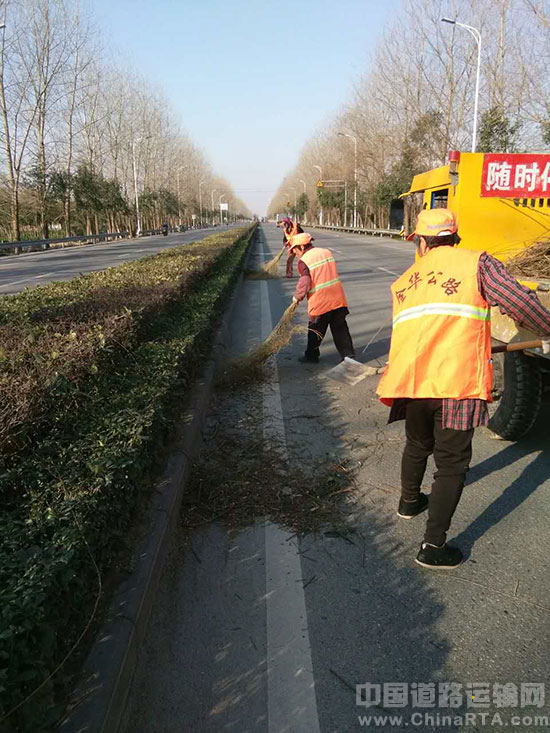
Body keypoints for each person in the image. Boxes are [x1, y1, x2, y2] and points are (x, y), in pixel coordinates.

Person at [376, 208, 550, 570]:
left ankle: (409, 502)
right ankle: (432, 547)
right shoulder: (477, 264)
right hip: (455, 382)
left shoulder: (406, 280)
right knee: (452, 464)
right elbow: (519, 302)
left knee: (417, 445)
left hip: (411, 381)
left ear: (421, 242)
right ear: (455, 237)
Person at [289, 232, 355, 363]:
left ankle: (311, 356)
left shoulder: (304, 261)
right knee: (340, 329)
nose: (295, 253)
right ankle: (349, 357)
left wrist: (297, 297)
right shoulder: (326, 252)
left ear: (301, 247)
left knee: (315, 331)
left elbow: (305, 281)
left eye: (295, 250)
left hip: (320, 301)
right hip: (337, 298)